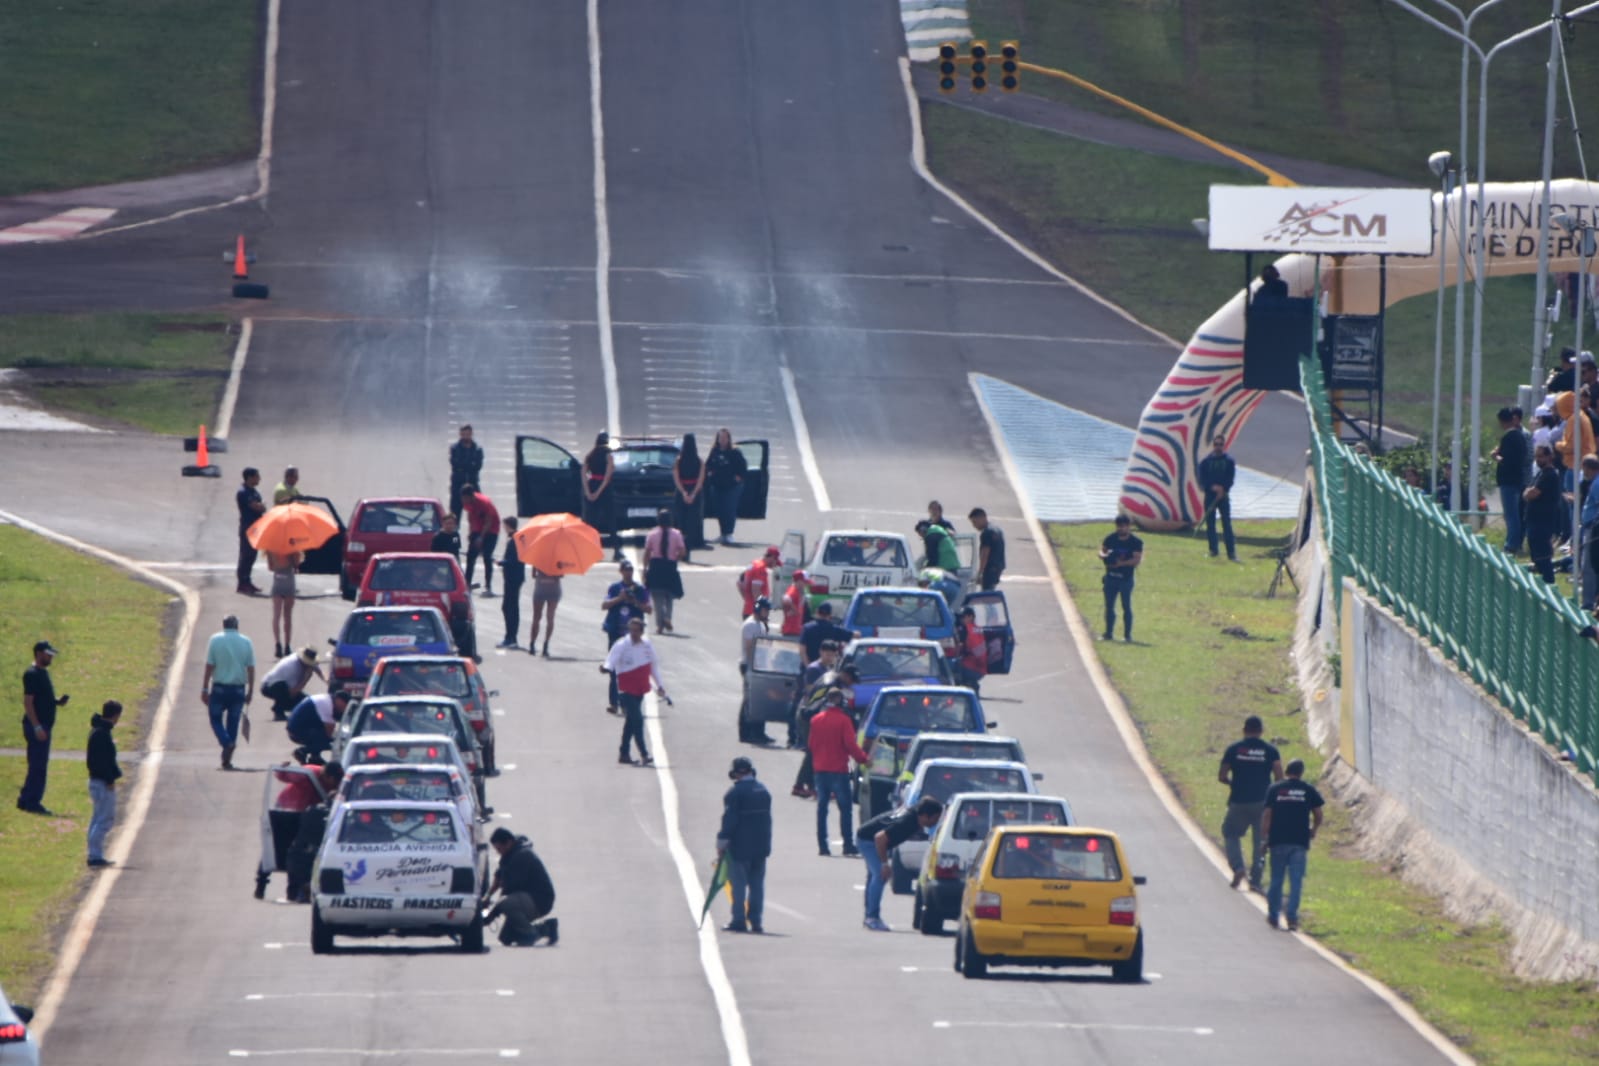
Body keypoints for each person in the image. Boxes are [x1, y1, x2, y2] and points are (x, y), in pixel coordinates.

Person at [257, 760, 343, 900]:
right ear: (327, 776)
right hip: (287, 811)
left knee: (298, 855)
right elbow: (284, 776)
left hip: (307, 818)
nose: (335, 784)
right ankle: (260, 884)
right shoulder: (309, 773)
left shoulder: (335, 784)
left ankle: (293, 891)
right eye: (334, 781)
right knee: (275, 848)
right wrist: (282, 770)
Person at [855, 797, 943, 931]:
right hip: (868, 841)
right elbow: (880, 838)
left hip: (871, 839)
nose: (935, 822)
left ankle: (869, 916)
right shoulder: (907, 822)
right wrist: (885, 864)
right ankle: (872, 917)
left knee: (874, 876)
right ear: (925, 816)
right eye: (934, 818)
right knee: (880, 875)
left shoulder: (914, 815)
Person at [1218, 715, 1283, 892]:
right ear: (1261, 731)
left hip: (1238, 800)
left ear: (1244, 730)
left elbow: (1222, 776)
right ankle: (1256, 879)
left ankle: (1238, 867)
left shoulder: (1234, 749)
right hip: (1263, 803)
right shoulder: (1271, 751)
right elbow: (1279, 777)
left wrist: (1233, 783)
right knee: (1260, 841)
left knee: (1230, 833)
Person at [1262, 759, 1325, 932]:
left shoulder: (1274, 789)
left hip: (1278, 840)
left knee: (1276, 880)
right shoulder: (1307, 790)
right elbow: (1319, 814)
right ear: (1301, 772)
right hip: (1299, 841)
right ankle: (1291, 917)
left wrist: (1264, 838)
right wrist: (1313, 829)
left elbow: (1267, 814)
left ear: (1287, 771)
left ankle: (1274, 915)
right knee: (1296, 881)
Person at [807, 690, 870, 856]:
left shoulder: (816, 720)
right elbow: (850, 745)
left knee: (822, 808)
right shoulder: (844, 721)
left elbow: (811, 744)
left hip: (820, 769)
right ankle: (847, 845)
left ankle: (823, 846)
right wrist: (864, 759)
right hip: (839, 770)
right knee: (845, 809)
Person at [717, 756, 773, 933]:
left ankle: (739, 920)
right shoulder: (763, 791)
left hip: (740, 847)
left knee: (738, 884)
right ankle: (756, 921)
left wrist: (721, 843)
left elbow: (729, 821)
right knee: (757, 885)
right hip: (761, 846)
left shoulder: (734, 794)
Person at [604, 617, 667, 765]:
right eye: (631, 630)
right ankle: (644, 754)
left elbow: (653, 667)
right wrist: (606, 668)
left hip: (640, 688)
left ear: (641, 631)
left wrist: (660, 686)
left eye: (636, 631)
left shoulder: (646, 646)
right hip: (625, 689)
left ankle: (624, 753)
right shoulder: (621, 645)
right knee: (638, 720)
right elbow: (611, 660)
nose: (633, 633)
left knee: (631, 723)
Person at [792, 664, 858, 798]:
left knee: (815, 752)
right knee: (814, 752)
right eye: (851, 680)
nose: (852, 684)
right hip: (808, 717)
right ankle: (800, 786)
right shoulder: (831, 684)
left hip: (810, 715)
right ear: (845, 675)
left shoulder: (833, 678)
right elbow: (820, 706)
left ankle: (811, 786)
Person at [18, 640, 68, 815]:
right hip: (37, 726)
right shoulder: (32, 674)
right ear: (39, 653)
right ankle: (32, 802)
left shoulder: (42, 673)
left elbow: (42, 698)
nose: (51, 657)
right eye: (48, 654)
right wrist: (37, 727)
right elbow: (28, 702)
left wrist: (57, 702)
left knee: (36, 764)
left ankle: (25, 798)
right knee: (38, 765)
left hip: (42, 725)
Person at [486, 827, 558, 946]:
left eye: (499, 848)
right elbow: (498, 878)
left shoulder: (521, 856)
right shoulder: (509, 854)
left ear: (508, 842)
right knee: (506, 938)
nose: (498, 852)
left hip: (540, 900)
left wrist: (492, 912)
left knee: (505, 904)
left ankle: (532, 933)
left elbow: (509, 889)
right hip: (525, 898)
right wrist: (487, 897)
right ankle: (548, 928)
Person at [202, 615, 256, 771]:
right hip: (238, 689)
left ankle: (226, 743)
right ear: (237, 626)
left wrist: (205, 688)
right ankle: (227, 759)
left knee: (215, 719)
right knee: (233, 723)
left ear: (223, 625)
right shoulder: (246, 641)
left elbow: (209, 665)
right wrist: (251, 690)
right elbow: (251, 668)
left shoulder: (215, 639)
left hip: (219, 688)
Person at [601, 562, 652, 714]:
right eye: (626, 570)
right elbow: (604, 605)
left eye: (630, 570)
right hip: (616, 632)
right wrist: (620, 598)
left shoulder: (640, 590)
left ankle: (626, 703)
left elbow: (648, 609)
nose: (628, 572)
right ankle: (614, 703)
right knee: (614, 668)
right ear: (621, 571)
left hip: (632, 635)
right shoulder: (615, 588)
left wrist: (634, 601)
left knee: (629, 669)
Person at [85, 699, 123, 867]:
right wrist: (110, 779)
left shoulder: (98, 730)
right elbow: (104, 760)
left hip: (96, 780)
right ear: (115, 715)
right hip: (102, 782)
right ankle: (95, 856)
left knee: (97, 818)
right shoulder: (102, 734)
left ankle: (94, 854)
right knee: (105, 819)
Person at [1099, 515, 1144, 642]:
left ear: (1129, 526)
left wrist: (1121, 564)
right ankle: (1108, 633)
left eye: (1124, 526)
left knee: (1126, 606)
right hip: (1110, 577)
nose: (1121, 528)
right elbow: (1102, 551)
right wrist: (1105, 556)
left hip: (1126, 579)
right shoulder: (1110, 539)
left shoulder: (1135, 542)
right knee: (1109, 606)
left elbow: (1137, 559)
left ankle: (1127, 635)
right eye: (1119, 526)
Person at [1493, 406, 1531, 555]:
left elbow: (1507, 460)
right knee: (1514, 513)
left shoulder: (1509, 436)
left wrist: (1496, 457)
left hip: (1509, 481)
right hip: (1518, 479)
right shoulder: (1521, 436)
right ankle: (1514, 542)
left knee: (1511, 514)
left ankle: (1512, 544)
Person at [1524, 445, 1563, 584]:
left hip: (1542, 522)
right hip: (1534, 521)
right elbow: (1528, 490)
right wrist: (1528, 493)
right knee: (1536, 558)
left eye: (1541, 456)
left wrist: (1528, 493)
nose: (1538, 459)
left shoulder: (1550, 474)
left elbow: (1533, 493)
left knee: (1543, 558)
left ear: (1549, 457)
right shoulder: (1540, 473)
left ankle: (1549, 586)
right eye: (1536, 456)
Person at [644, 508, 686, 635]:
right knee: (669, 595)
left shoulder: (652, 534)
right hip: (670, 565)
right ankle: (667, 617)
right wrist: (675, 558)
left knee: (657, 597)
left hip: (656, 565)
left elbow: (647, 553)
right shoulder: (677, 534)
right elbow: (683, 552)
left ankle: (660, 624)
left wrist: (645, 568)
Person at [705, 428, 749, 545]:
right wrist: (709, 473)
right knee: (719, 510)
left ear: (729, 439)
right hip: (717, 486)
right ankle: (722, 533)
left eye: (725, 437)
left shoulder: (735, 452)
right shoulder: (715, 451)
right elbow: (707, 465)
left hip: (732, 487)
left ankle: (729, 533)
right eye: (720, 438)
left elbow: (743, 468)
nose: (722, 440)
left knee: (729, 510)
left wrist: (738, 478)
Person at [739, 598, 774, 744]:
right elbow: (749, 647)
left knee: (761, 700)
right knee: (750, 699)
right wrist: (755, 667)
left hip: (761, 666)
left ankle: (759, 731)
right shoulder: (750, 625)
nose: (767, 613)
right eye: (765, 610)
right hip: (751, 666)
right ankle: (746, 732)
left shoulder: (761, 624)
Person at [1198, 434, 1238, 561]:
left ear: (1224, 445)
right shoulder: (1205, 462)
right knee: (1210, 525)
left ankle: (1231, 552)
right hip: (1210, 496)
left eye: (1221, 444)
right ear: (1213, 445)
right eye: (1216, 444)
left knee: (1226, 524)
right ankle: (1213, 550)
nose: (1218, 447)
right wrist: (1212, 487)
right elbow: (1202, 479)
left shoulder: (1229, 461)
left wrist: (1223, 489)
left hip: (1224, 497)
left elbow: (1230, 479)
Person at [286, 689, 353, 764]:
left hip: (303, 727)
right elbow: (330, 728)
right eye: (344, 704)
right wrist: (334, 742)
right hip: (297, 731)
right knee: (329, 742)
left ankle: (315, 758)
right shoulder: (326, 704)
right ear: (339, 700)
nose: (344, 708)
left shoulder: (327, 699)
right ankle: (302, 751)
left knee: (323, 734)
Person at [581, 432, 620, 560]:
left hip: (592, 485)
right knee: (611, 521)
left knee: (592, 522)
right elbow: (608, 476)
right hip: (605, 489)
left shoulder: (590, 455)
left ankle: (592, 551)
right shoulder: (609, 455)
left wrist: (588, 492)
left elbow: (583, 474)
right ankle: (616, 552)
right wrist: (599, 491)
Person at [260, 646, 323, 720]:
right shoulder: (292, 667)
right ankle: (278, 711)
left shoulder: (305, 663)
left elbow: (319, 671)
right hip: (269, 686)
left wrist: (328, 681)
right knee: (283, 690)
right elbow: (292, 693)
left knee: (307, 701)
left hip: (284, 686)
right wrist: (306, 679)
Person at [460, 485, 501, 596]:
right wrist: (471, 532)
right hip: (477, 529)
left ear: (471, 496)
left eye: (465, 498)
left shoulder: (484, 503)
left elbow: (489, 521)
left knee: (487, 556)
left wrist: (481, 538)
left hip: (491, 530)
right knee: (471, 556)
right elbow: (470, 516)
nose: (464, 500)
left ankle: (488, 586)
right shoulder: (466, 502)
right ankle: (467, 583)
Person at [265, 549, 302, 658]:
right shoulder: (293, 548)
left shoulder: (271, 548)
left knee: (276, 615)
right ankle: (287, 645)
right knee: (288, 616)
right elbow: (296, 565)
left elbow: (270, 567)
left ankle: (278, 644)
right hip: (289, 581)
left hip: (277, 580)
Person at [674, 432, 706, 553]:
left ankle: (680, 544)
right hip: (695, 492)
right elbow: (700, 480)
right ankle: (690, 546)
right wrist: (693, 494)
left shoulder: (678, 460)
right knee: (693, 520)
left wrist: (683, 493)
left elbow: (676, 478)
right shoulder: (699, 461)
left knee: (681, 520)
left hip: (682, 491)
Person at [496, 518, 526, 649]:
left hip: (513, 578)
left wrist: (501, 562)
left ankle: (511, 637)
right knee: (510, 606)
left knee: (509, 607)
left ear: (508, 526)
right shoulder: (518, 538)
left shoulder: (514, 540)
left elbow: (514, 560)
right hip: (514, 578)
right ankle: (510, 636)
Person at [236, 467, 266, 594]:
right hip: (247, 528)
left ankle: (248, 581)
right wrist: (260, 507)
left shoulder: (254, 492)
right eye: (257, 476)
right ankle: (242, 583)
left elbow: (262, 506)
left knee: (252, 556)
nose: (259, 478)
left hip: (256, 528)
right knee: (246, 555)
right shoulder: (243, 492)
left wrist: (261, 507)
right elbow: (257, 507)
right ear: (249, 477)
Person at [448, 424, 484, 517]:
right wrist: (469, 465)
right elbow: (455, 464)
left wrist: (464, 466)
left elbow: (478, 466)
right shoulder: (455, 448)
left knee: (479, 510)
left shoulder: (477, 449)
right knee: (455, 512)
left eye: (467, 434)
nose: (465, 436)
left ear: (471, 434)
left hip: (473, 483)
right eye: (463, 434)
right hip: (458, 484)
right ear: (460, 434)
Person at [738, 546, 781, 619]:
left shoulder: (754, 563)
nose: (775, 565)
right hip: (756, 614)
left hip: (748, 610)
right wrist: (762, 610)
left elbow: (739, 583)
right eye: (775, 561)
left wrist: (748, 600)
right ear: (772, 557)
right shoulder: (760, 569)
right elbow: (756, 591)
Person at [968, 508, 1006, 590]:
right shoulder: (997, 530)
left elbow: (985, 554)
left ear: (982, 518)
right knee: (991, 590)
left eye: (975, 522)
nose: (974, 526)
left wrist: (980, 572)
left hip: (990, 569)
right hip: (998, 567)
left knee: (987, 594)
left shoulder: (986, 533)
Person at [952, 605, 988, 691]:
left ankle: (958, 689)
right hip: (981, 668)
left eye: (963, 617)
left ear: (971, 617)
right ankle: (969, 684)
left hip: (972, 667)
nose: (961, 620)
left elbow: (962, 648)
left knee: (949, 666)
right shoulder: (977, 629)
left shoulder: (967, 629)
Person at [529, 566, 562, 659]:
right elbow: (561, 575)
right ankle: (545, 644)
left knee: (537, 617)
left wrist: (543, 577)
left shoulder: (538, 557)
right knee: (550, 617)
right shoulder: (558, 559)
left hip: (541, 589)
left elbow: (533, 575)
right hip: (553, 589)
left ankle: (532, 643)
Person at [780, 569, 808, 638]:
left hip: (795, 630)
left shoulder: (797, 591)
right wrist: (795, 610)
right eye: (804, 582)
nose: (806, 584)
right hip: (791, 631)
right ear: (799, 581)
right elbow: (785, 599)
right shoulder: (793, 591)